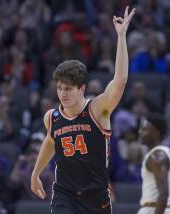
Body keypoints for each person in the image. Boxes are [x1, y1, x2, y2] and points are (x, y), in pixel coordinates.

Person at [31, 6, 135, 214]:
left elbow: (121, 80)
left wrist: (121, 36)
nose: (62, 94)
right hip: (64, 194)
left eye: (68, 89)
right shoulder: (51, 117)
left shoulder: (98, 109)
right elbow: (51, 141)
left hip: (95, 196)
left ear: (82, 89)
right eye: (59, 88)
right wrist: (35, 174)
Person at [138, 113, 170, 214]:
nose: (140, 132)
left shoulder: (157, 157)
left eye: (144, 129)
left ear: (156, 133)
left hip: (155, 209)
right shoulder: (163, 153)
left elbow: (163, 193)